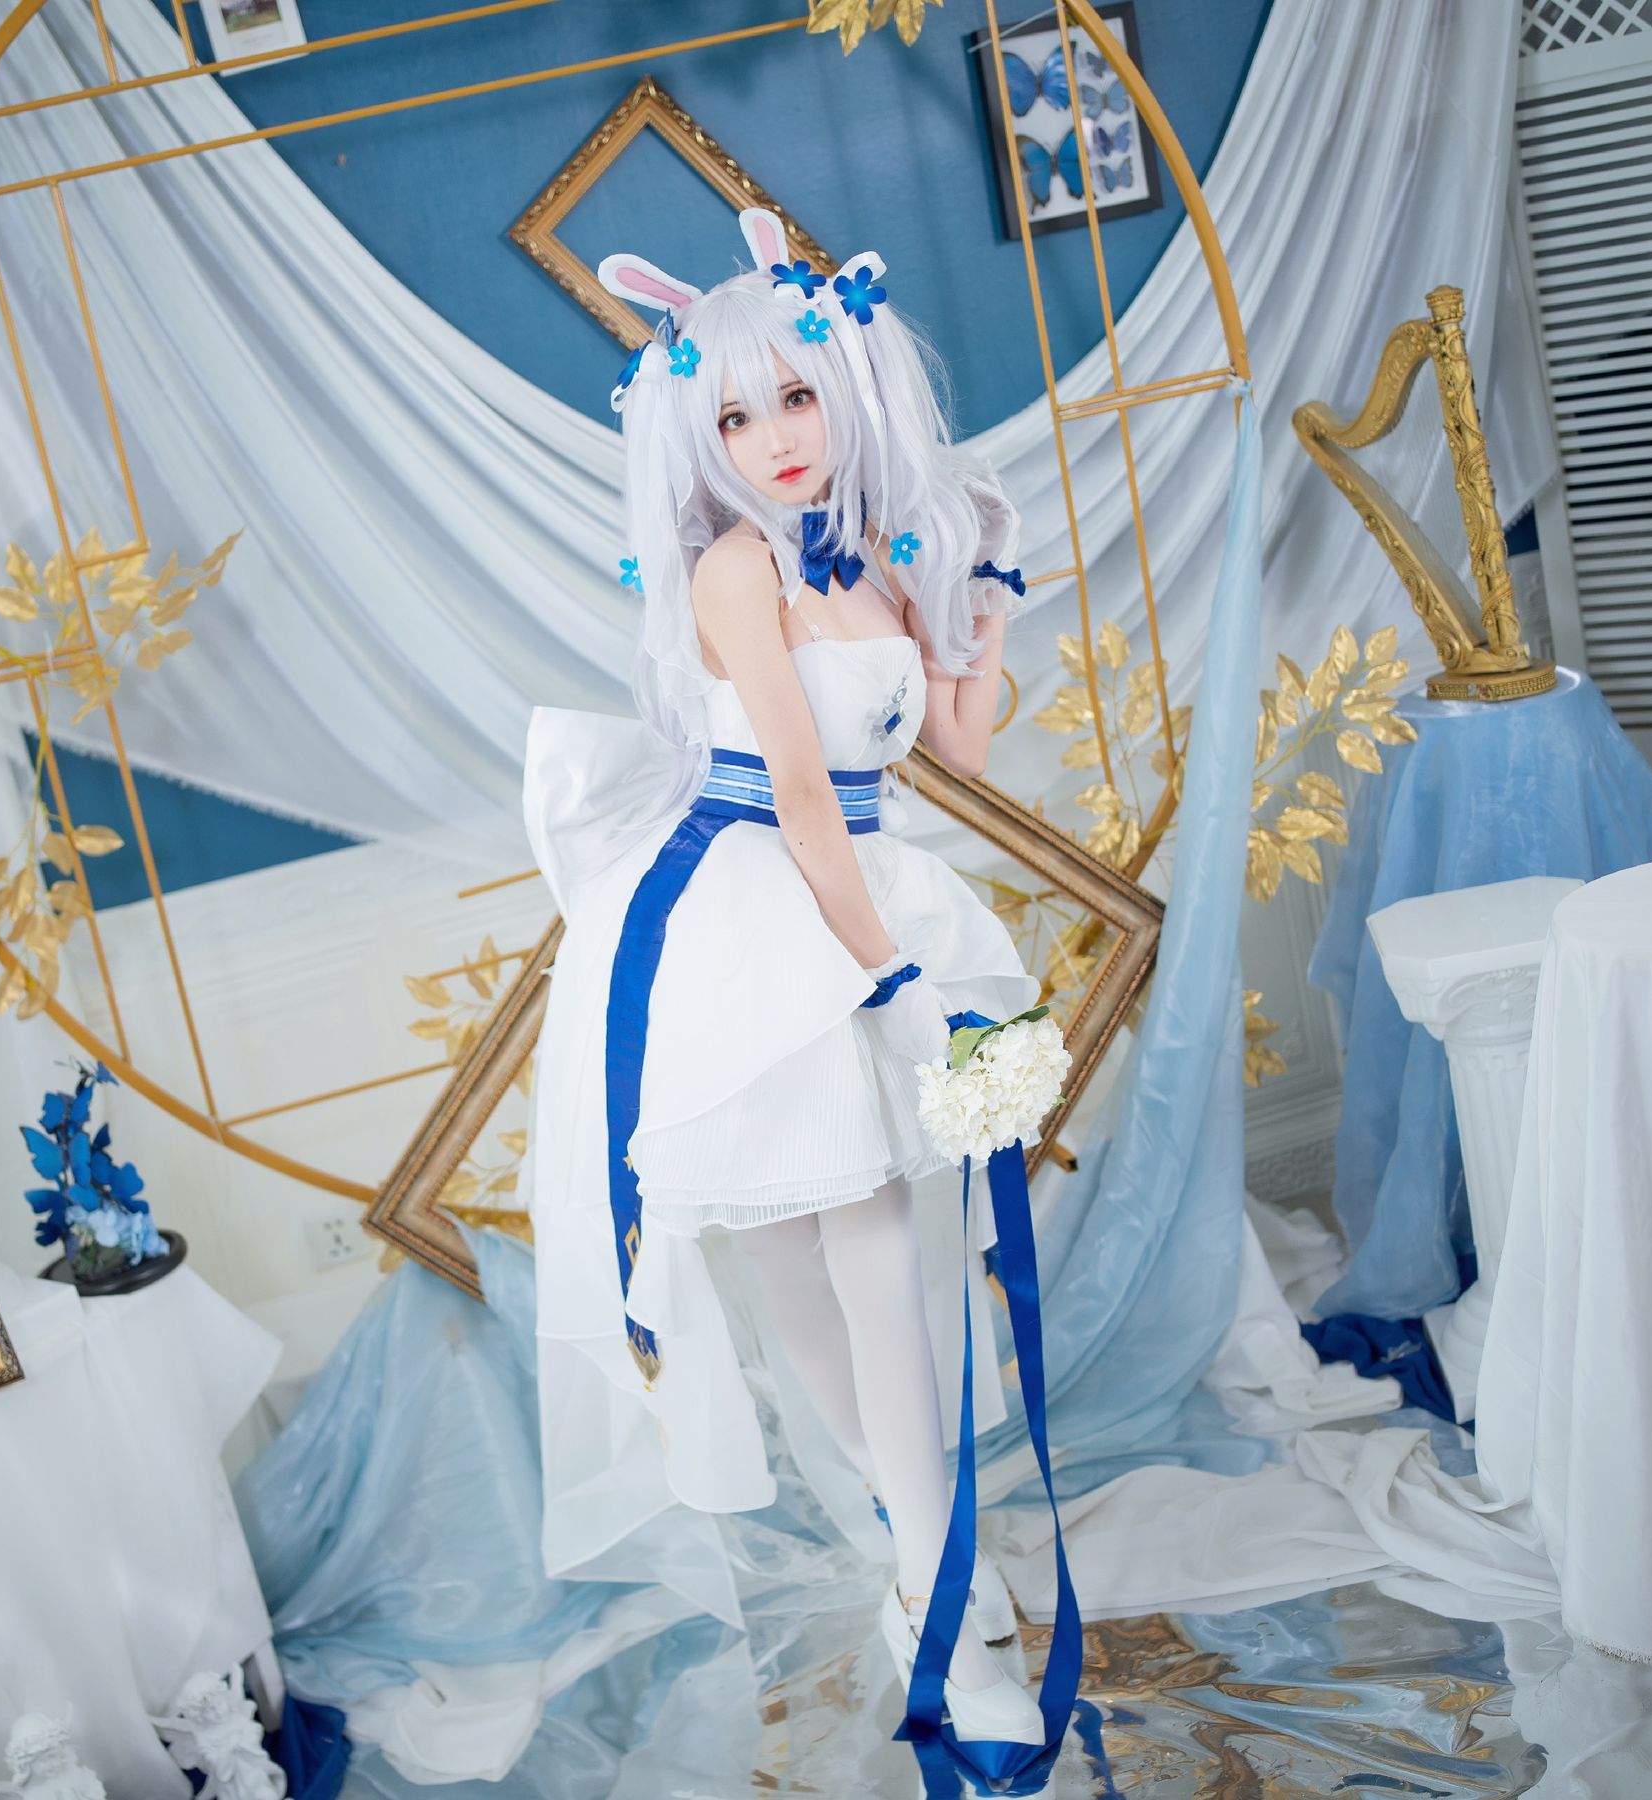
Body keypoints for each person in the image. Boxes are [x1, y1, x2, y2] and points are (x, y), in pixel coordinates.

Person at [520, 207, 1048, 1749]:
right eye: (738, 417)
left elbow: (960, 748)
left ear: (846, 389)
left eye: (796, 398)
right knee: (810, 1253)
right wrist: (889, 975)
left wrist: (984, 588)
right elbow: (802, 793)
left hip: (861, 880)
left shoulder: (877, 556)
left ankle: (924, 1566)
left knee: (878, 1256)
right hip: (750, 903)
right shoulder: (731, 572)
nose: (774, 440)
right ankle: (930, 1574)